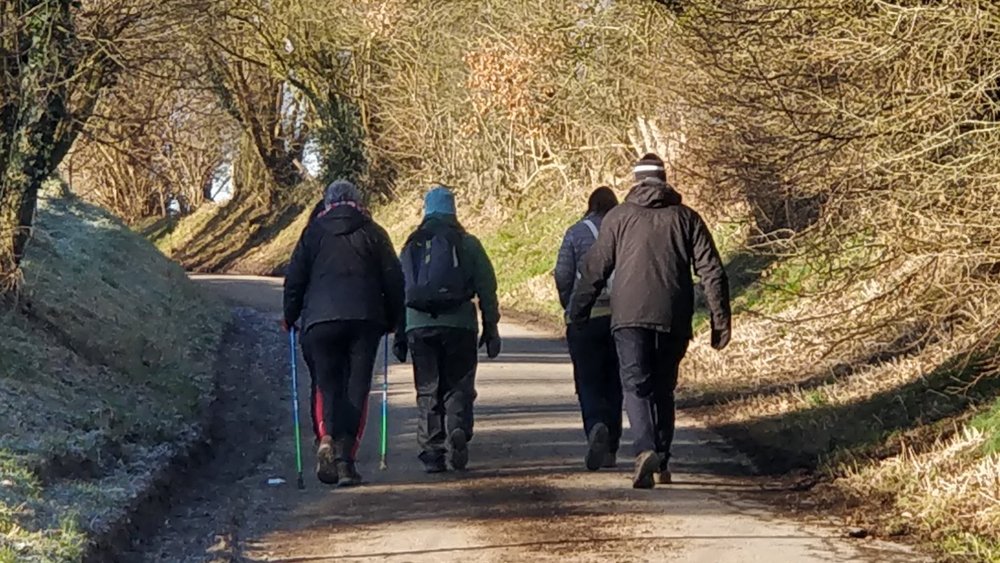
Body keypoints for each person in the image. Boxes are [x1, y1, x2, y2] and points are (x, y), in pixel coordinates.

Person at [569, 154, 731, 489]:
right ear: (664, 179)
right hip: (673, 315)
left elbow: (595, 267)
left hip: (628, 316)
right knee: (663, 387)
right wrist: (720, 320)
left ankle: (645, 450)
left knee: (635, 385)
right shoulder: (687, 218)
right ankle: (662, 461)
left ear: (636, 181)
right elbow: (712, 270)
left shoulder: (619, 217)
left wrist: (579, 311)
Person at [283, 180, 404, 487]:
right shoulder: (374, 232)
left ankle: (325, 437)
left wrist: (290, 316)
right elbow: (394, 279)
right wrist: (394, 319)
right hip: (365, 319)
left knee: (326, 384)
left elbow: (295, 278)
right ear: (358, 201)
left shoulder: (313, 232)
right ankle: (346, 462)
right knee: (356, 388)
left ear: (327, 202)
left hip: (320, 321)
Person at [392, 185, 502, 473]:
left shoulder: (412, 244)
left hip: (419, 326)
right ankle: (458, 429)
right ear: (453, 210)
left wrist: (399, 334)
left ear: (426, 211)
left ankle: (432, 451)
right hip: (460, 324)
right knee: (459, 384)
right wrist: (491, 326)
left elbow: (400, 290)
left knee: (427, 388)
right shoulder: (468, 243)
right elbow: (487, 286)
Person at [554, 187, 624, 471]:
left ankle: (595, 424)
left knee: (588, 380)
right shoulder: (623, 229)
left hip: (585, 317)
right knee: (615, 382)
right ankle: (612, 447)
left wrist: (569, 305)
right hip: (620, 317)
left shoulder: (576, 232)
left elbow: (563, 274)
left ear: (590, 205)